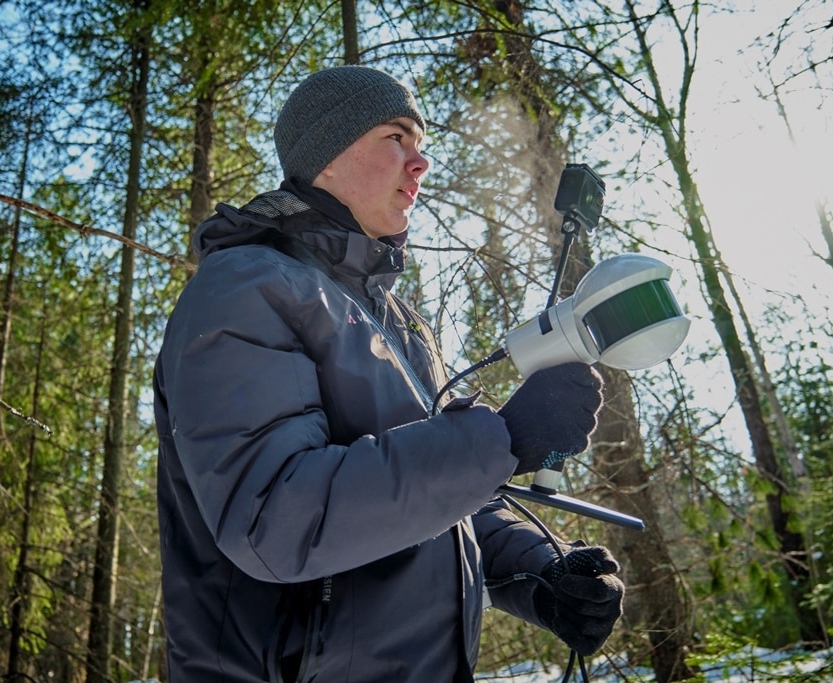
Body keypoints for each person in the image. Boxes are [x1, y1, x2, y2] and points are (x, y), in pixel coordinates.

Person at [154, 65, 624, 682]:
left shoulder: (400, 325)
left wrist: (543, 574)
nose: (420, 161)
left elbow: (444, 500)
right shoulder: (246, 288)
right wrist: (501, 441)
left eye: (421, 143)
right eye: (395, 138)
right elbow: (273, 517)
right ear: (326, 155)